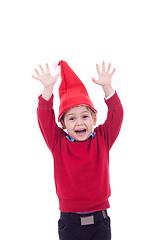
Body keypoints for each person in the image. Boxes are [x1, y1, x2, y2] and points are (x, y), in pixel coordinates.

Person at [32, 60, 123, 240]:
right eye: (72, 118)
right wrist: (48, 91)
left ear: (94, 119)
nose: (80, 122)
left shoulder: (102, 139)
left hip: (100, 222)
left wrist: (108, 88)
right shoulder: (58, 143)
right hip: (70, 224)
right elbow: (44, 117)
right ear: (63, 124)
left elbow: (117, 113)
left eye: (84, 116)